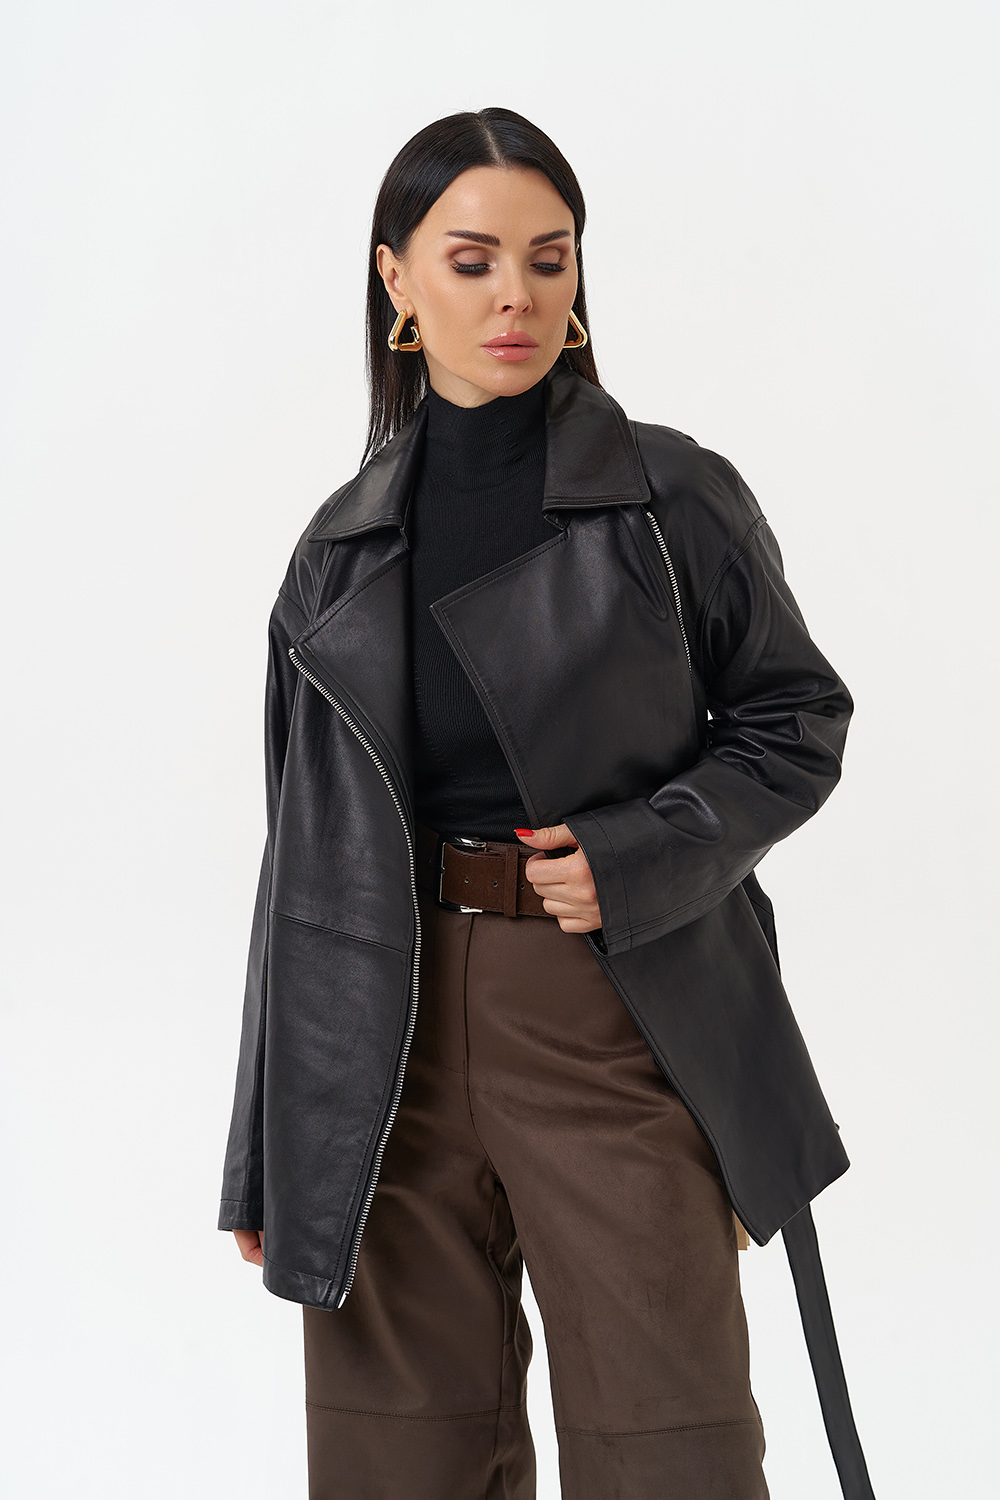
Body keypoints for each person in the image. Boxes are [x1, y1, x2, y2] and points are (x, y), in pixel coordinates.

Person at [218, 108, 876, 1500]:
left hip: (610, 1007)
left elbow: (796, 718)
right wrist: (270, 1144)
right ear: (397, 280)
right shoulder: (337, 547)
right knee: (398, 1458)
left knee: (669, 1446)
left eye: (548, 258)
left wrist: (642, 853)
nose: (513, 295)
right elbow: (299, 861)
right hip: (379, 1038)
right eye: (471, 262)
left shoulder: (670, 499)